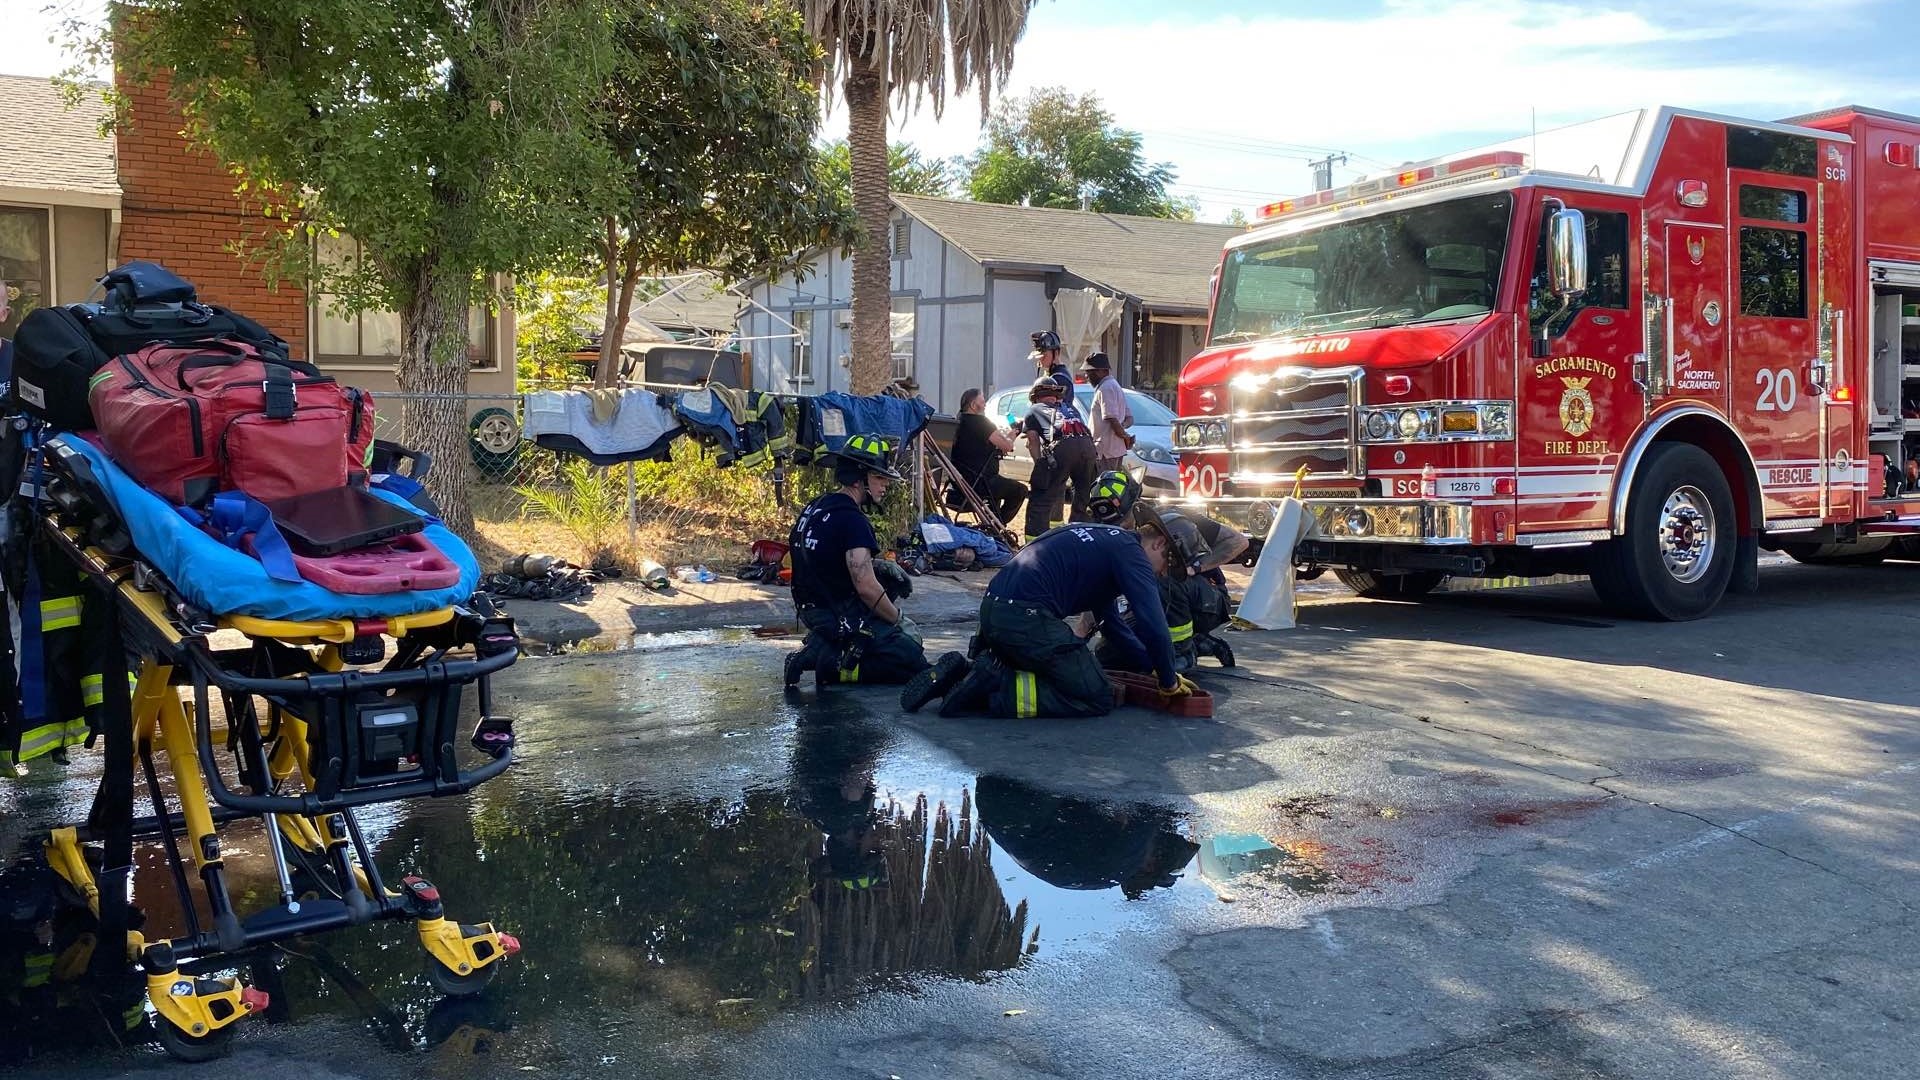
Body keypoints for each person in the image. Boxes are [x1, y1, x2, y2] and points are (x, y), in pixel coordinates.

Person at [901, 504, 1195, 719]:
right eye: (1168, 566)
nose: (1162, 574)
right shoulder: (1133, 556)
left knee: (1067, 671)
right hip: (1025, 621)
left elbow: (1112, 625)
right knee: (1097, 695)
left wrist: (1152, 667)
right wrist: (1169, 680)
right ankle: (990, 692)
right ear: (1159, 543)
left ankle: (967, 673)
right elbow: (1153, 624)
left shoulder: (1109, 541)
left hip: (996, 614)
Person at [783, 433, 930, 689]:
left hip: (813, 608)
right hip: (836, 613)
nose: (884, 485)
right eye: (878, 477)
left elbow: (825, 559)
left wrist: (877, 568)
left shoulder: (818, 506)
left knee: (889, 579)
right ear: (859, 478)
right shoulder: (852, 520)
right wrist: (899, 620)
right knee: (910, 658)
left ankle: (823, 643)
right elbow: (865, 587)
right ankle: (828, 661)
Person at [1018, 378, 1098, 540]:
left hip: (1064, 447)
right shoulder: (1070, 409)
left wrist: (1040, 465)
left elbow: (1033, 441)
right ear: (1057, 396)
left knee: (1041, 498)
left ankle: (1035, 545)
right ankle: (1078, 539)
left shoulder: (1034, 410)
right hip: (1088, 447)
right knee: (1084, 498)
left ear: (1035, 396)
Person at [949, 388, 1027, 526]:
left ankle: (993, 524)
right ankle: (998, 525)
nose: (985, 405)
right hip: (982, 482)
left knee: (997, 494)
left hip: (961, 481)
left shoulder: (959, 420)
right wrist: (1014, 433)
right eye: (983, 401)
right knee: (1020, 490)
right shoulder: (981, 422)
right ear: (973, 405)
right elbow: (1007, 446)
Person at [1082, 352, 1134, 472]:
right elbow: (1129, 419)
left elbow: (1111, 419)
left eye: (1090, 372)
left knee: (1104, 486)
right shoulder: (1115, 385)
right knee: (1112, 486)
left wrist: (1123, 434)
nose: (1087, 376)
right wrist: (1123, 429)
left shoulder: (1106, 388)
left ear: (1102, 371)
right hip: (1115, 449)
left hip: (1105, 451)